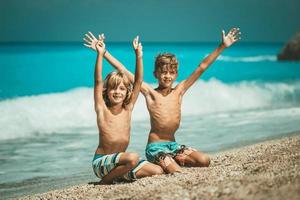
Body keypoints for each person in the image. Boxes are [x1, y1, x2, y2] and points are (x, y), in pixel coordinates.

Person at [84, 28, 241, 173]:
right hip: (155, 148)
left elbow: (201, 67)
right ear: (155, 74)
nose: (167, 76)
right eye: (163, 72)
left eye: (171, 72)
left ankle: (177, 158)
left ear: (176, 74)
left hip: (174, 145)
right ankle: (169, 163)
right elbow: (126, 71)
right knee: (176, 172)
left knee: (204, 161)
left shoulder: (180, 91)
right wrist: (103, 53)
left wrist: (222, 46)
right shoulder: (150, 93)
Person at [86, 34, 163, 184]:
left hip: (121, 163)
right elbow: (97, 81)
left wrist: (138, 56)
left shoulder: (128, 108)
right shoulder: (102, 109)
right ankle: (104, 182)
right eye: (113, 88)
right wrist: (100, 54)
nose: (117, 92)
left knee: (157, 171)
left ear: (127, 92)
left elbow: (138, 81)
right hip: (101, 163)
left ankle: (119, 175)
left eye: (122, 89)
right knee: (133, 157)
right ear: (106, 91)